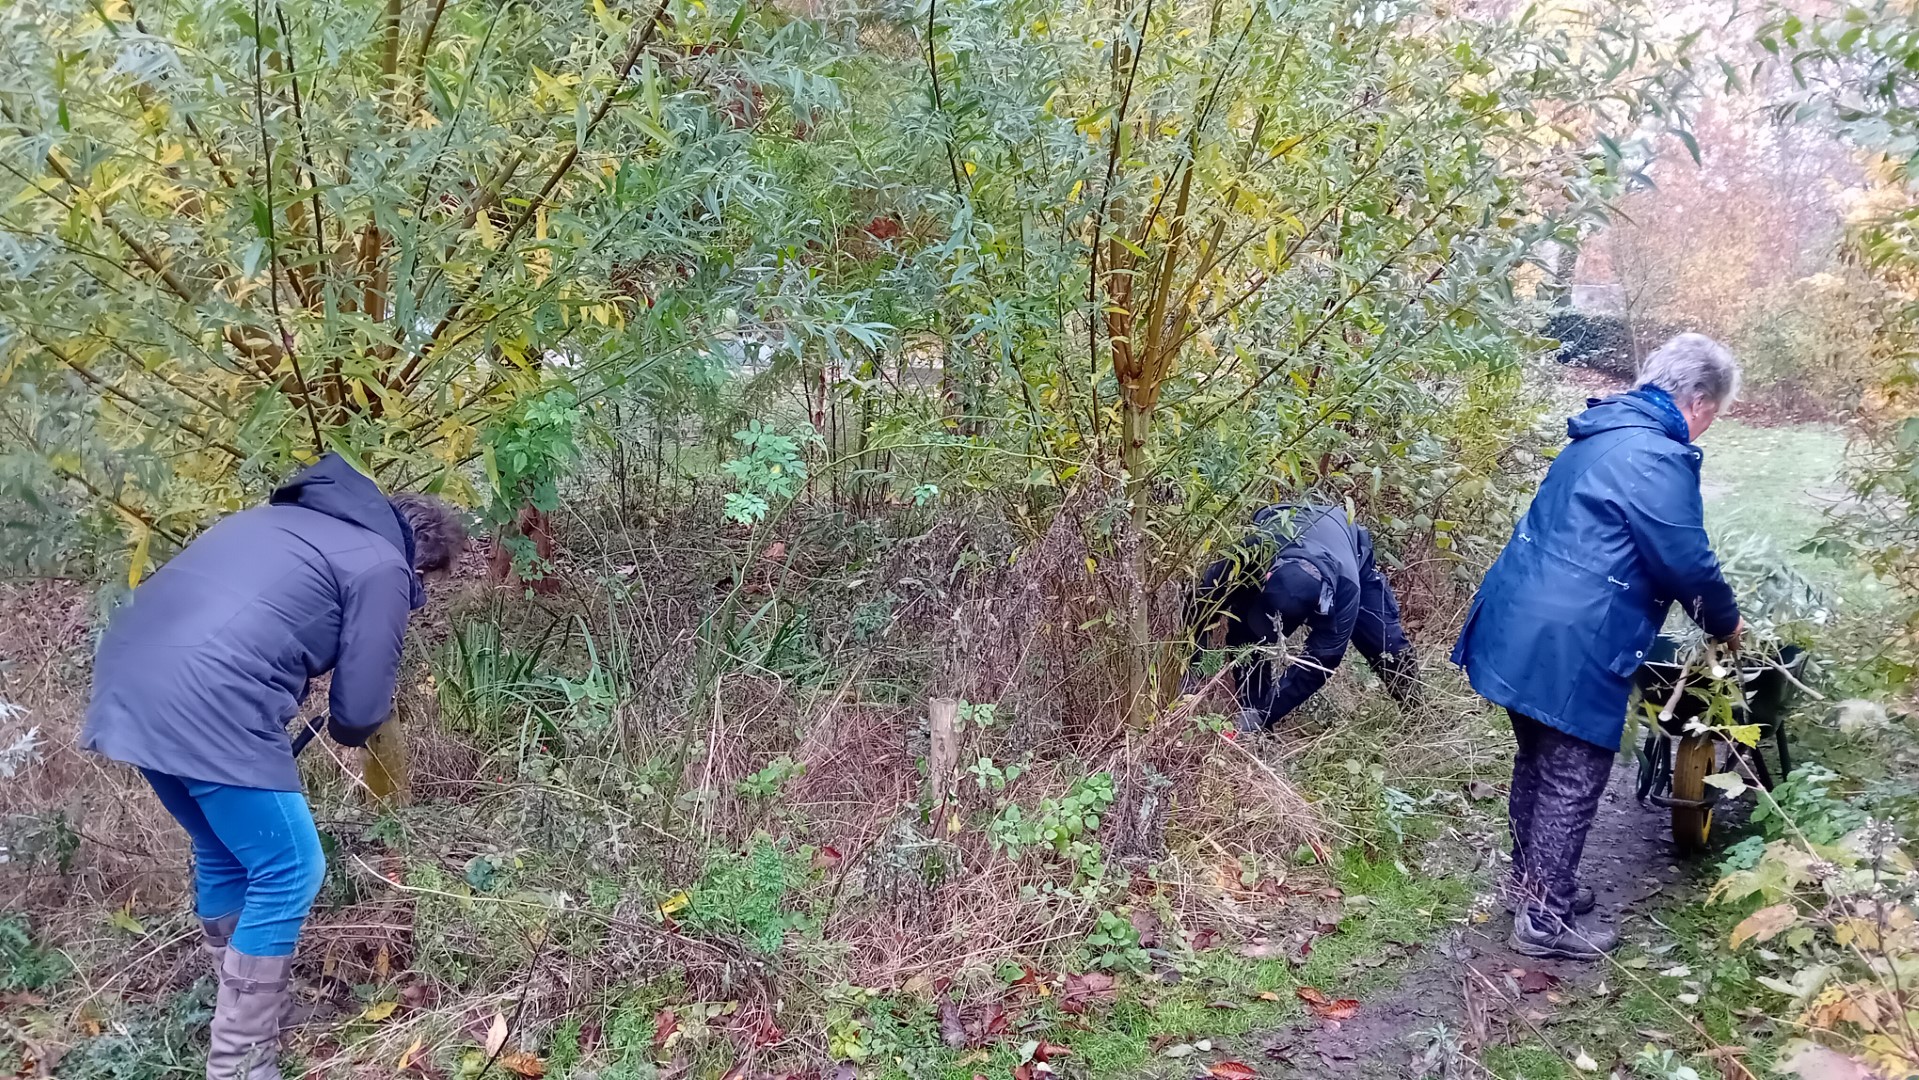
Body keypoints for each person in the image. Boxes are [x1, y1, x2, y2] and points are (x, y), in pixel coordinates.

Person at [81, 454, 465, 1080]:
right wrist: (350, 726)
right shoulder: (380, 563)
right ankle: (240, 1061)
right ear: (420, 556)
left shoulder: (280, 520)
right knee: (292, 868)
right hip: (207, 693)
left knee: (225, 851)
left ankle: (261, 1008)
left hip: (128, 676)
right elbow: (362, 701)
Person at [1452, 333, 1743, 962]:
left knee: (1538, 760)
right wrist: (1725, 624)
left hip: (1518, 621)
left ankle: (1533, 885)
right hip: (1569, 639)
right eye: (1712, 414)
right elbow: (1687, 564)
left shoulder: (1603, 431)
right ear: (1695, 400)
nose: (1706, 429)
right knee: (1573, 772)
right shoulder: (1656, 456)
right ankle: (1545, 921)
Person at [1190, 503, 1421, 732]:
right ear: (1267, 576)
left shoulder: (1346, 589)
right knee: (1247, 635)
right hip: (1284, 525)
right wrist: (1192, 667)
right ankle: (1253, 712)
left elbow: (1320, 662)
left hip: (1347, 546)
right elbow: (1201, 600)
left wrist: (1268, 713)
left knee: (1385, 644)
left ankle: (1418, 714)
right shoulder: (1254, 551)